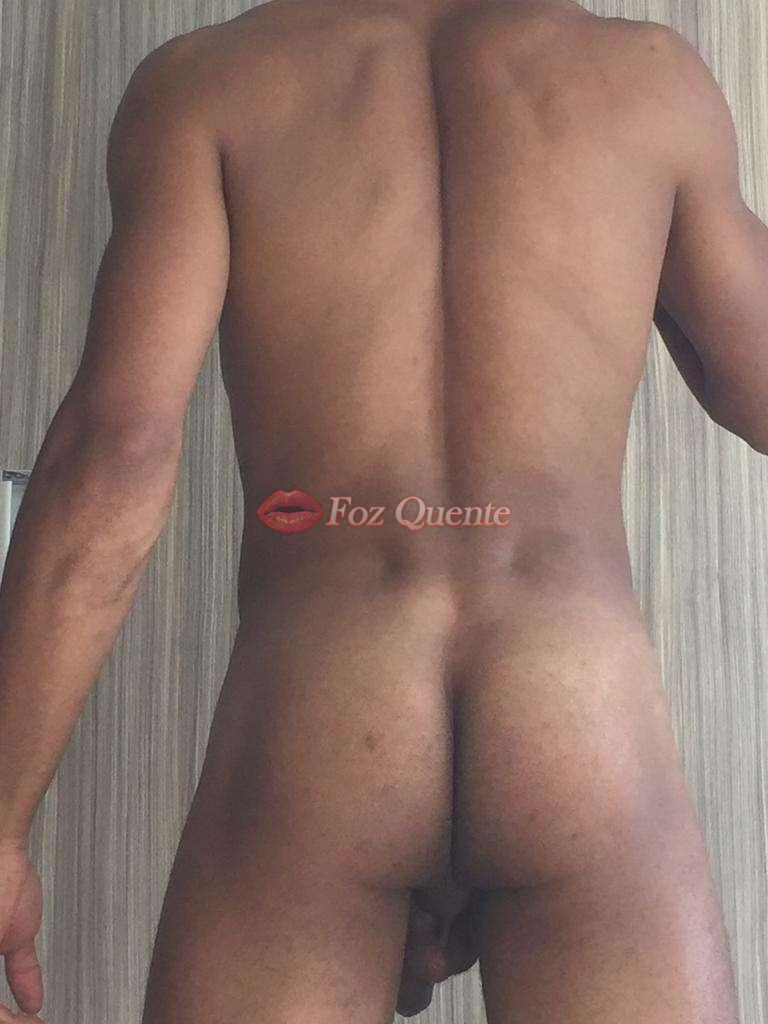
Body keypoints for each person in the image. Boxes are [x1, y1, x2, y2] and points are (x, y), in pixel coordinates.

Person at [0, 0, 764, 1019]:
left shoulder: (206, 85)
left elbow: (115, 458)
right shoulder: (651, 78)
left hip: (322, 710)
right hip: (579, 713)